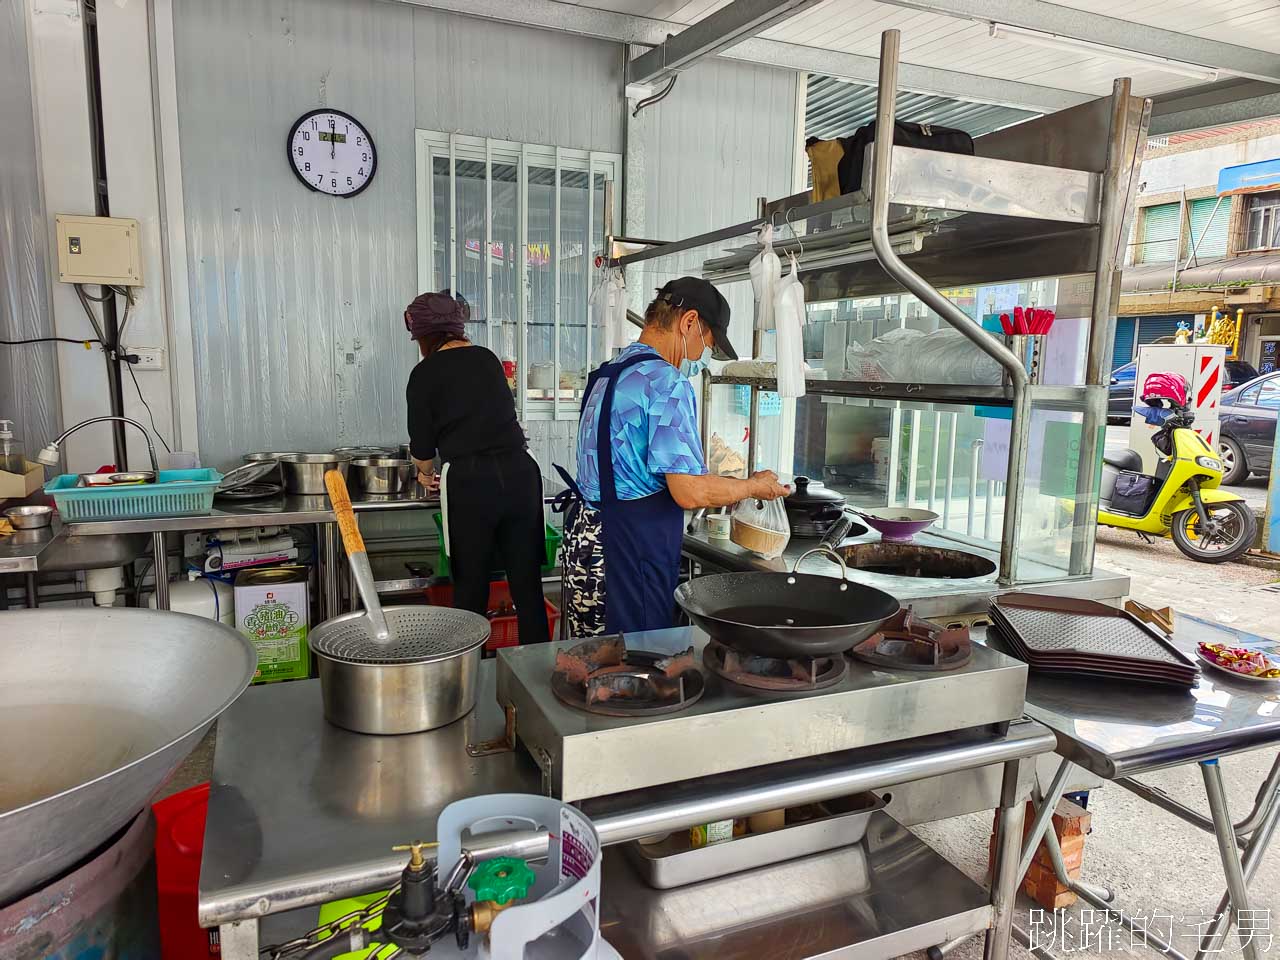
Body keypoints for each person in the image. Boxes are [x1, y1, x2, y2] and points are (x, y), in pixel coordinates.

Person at [559, 277, 789, 637]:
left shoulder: (609, 373)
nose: (701, 358)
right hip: (628, 556)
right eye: (707, 344)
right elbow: (689, 492)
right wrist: (752, 486)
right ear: (689, 322)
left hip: (588, 547)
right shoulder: (665, 382)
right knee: (638, 669)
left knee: (599, 665)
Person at [405, 291, 550, 645]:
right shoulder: (487, 359)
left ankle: (469, 678)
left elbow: (423, 450)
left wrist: (424, 473)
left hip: (471, 482)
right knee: (527, 587)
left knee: (470, 590)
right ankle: (539, 678)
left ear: (424, 337)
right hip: (520, 472)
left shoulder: (423, 374)